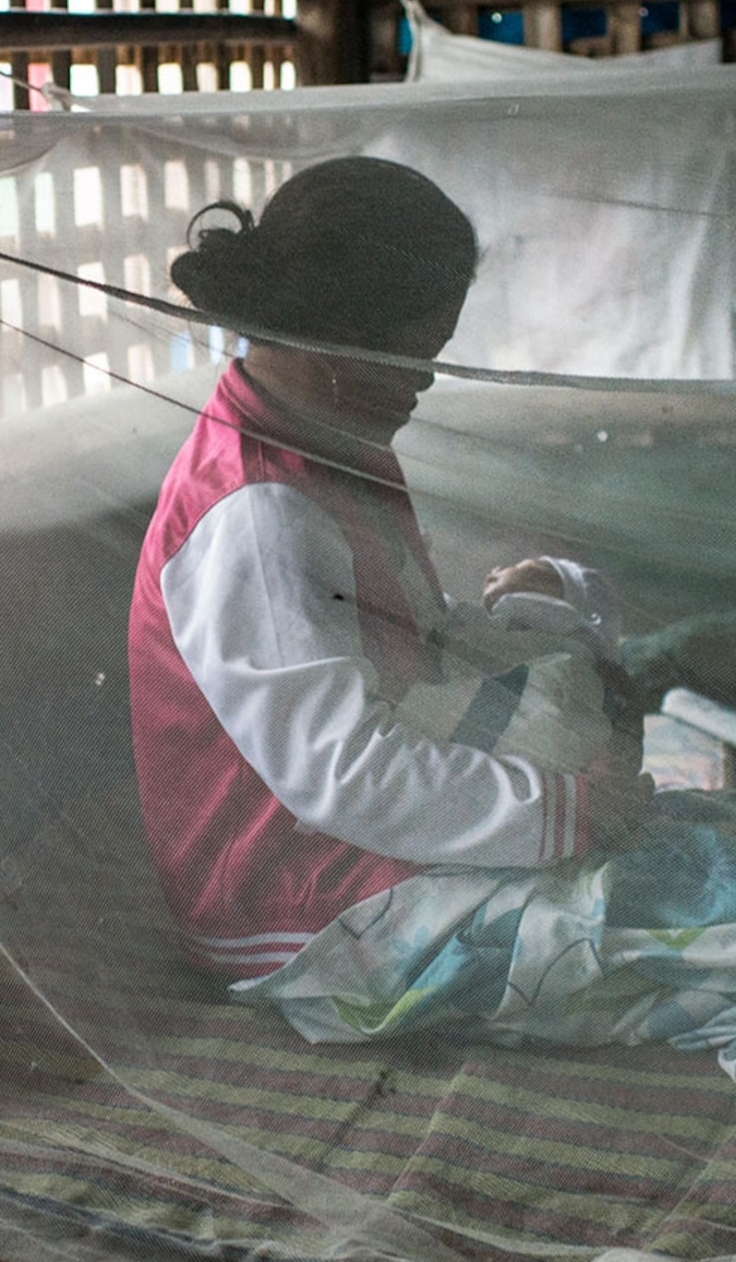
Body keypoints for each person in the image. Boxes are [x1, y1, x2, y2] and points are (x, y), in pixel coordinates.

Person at [127, 157, 652, 980]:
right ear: (340, 338)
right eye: (416, 354)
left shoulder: (331, 448)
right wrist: (568, 813)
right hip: (288, 905)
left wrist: (543, 618)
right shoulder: (258, 514)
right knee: (642, 932)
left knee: (662, 885)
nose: (428, 381)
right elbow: (343, 770)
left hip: (352, 845)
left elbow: (410, 650)